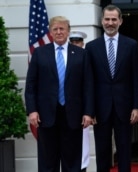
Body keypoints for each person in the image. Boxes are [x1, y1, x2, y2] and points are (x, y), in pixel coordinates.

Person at [25, 16, 94, 172]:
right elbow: (31, 85)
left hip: (73, 115)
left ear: (68, 31)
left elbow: (88, 86)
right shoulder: (40, 53)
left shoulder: (81, 54)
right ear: (50, 32)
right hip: (46, 115)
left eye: (62, 29)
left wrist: (88, 112)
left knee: (72, 162)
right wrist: (32, 110)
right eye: (55, 29)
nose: (59, 32)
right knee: (48, 161)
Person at [85, 4, 138, 172]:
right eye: (107, 19)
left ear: (120, 21)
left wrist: (137, 107)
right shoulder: (91, 47)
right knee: (102, 151)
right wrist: (90, 110)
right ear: (102, 21)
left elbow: (136, 79)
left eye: (114, 19)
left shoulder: (131, 45)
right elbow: (89, 82)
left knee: (124, 150)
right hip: (100, 109)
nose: (110, 23)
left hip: (124, 107)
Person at [69, 30, 90, 172]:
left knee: (83, 143)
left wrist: (89, 110)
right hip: (65, 108)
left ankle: (82, 168)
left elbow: (89, 85)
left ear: (83, 44)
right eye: (73, 42)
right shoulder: (64, 57)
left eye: (78, 42)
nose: (75, 44)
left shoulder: (86, 57)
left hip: (82, 108)